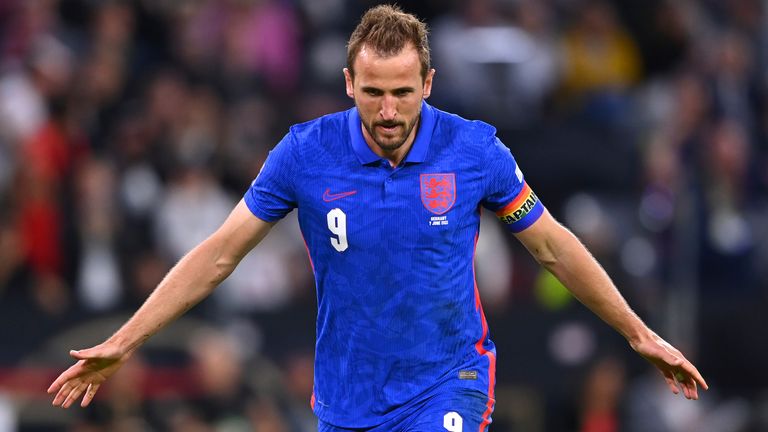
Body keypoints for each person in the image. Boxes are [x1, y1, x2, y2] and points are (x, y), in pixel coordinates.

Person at [48, 5, 707, 431]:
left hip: (450, 382)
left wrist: (637, 332)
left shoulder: (475, 150)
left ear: (427, 83)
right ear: (347, 84)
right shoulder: (305, 154)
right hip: (347, 401)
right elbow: (220, 254)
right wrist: (124, 341)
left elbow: (554, 248)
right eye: (372, 93)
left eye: (401, 92)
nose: (387, 110)